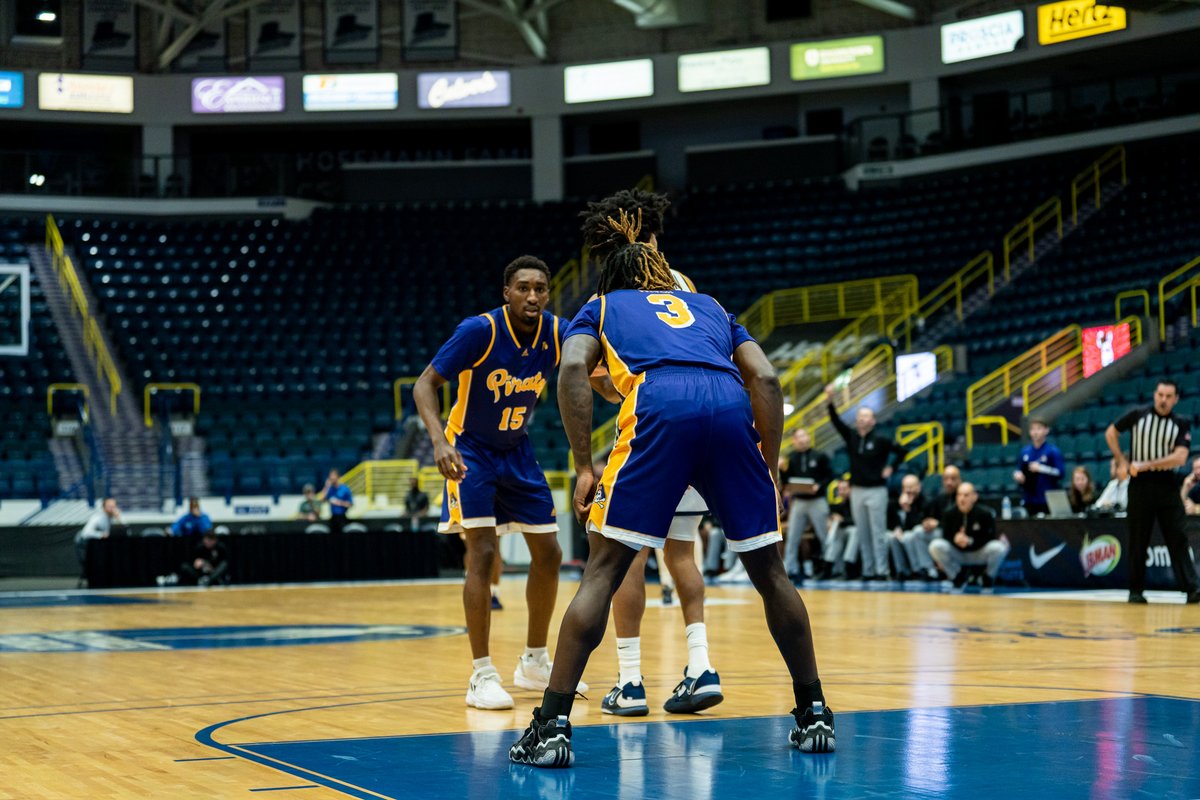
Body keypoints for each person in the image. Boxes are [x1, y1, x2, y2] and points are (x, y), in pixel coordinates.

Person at [509, 210, 834, 769]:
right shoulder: (709, 305)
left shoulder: (603, 306)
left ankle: (551, 726)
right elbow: (767, 379)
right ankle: (815, 714)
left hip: (658, 404)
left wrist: (584, 465)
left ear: (612, 274)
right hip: (731, 406)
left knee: (605, 569)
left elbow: (571, 370)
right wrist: (769, 464)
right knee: (770, 571)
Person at [579, 187, 721, 717]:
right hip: (704, 423)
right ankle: (701, 664)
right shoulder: (687, 286)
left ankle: (632, 680)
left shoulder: (611, 293)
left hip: (650, 432)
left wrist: (628, 388)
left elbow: (595, 376)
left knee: (627, 557)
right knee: (681, 553)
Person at [412, 254, 574, 711]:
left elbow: (593, 376)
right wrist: (440, 442)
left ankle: (535, 661)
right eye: (523, 287)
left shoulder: (558, 333)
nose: (533, 296)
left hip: (518, 451)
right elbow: (424, 385)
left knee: (551, 552)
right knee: (481, 553)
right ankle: (481, 674)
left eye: (541, 288)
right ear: (507, 292)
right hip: (471, 452)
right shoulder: (478, 331)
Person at [1104, 380, 1200, 604]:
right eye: (1160, 395)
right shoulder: (1138, 415)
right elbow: (1111, 433)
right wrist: (1120, 461)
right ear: (1155, 395)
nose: (1163, 400)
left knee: (1178, 537)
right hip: (1140, 487)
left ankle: (1192, 589)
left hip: (1167, 484)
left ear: (1175, 399)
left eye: (1168, 396)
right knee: (1138, 540)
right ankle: (1135, 591)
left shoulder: (1181, 422)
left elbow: (1180, 457)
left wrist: (1144, 464)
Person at [824, 386, 907, 580]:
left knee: (878, 532)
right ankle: (868, 571)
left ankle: (882, 571)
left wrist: (892, 467)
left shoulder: (882, 440)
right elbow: (836, 422)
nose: (862, 419)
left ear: (873, 421)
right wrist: (830, 402)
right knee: (863, 532)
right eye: (860, 416)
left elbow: (903, 451)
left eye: (866, 416)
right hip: (857, 490)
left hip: (877, 490)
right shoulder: (852, 437)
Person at [928, 482, 1009, 589]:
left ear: (974, 497)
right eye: (959, 495)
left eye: (966, 495)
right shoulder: (949, 513)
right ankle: (956, 576)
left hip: (978, 553)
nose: (962, 499)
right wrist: (955, 539)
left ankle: (988, 577)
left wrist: (970, 541)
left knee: (999, 547)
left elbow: (990, 537)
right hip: (958, 553)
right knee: (935, 546)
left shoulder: (985, 513)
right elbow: (945, 536)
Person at [781, 428, 833, 583]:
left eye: (804, 436)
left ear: (808, 438)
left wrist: (819, 486)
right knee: (793, 536)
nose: (802, 440)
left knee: (824, 535)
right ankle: (791, 569)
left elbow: (829, 475)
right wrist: (782, 470)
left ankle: (829, 567)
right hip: (800, 500)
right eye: (798, 437)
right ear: (794, 441)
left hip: (817, 500)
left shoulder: (820, 455)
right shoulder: (791, 458)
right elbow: (787, 481)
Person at [904, 465, 962, 581]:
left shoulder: (963, 497)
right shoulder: (940, 498)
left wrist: (938, 524)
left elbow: (960, 523)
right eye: (946, 479)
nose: (949, 482)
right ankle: (929, 570)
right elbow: (927, 517)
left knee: (934, 542)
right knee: (917, 532)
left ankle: (953, 572)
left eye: (953, 479)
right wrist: (927, 523)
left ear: (959, 480)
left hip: (956, 536)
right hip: (942, 533)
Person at [1013, 417, 1064, 516]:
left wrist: (1041, 468)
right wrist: (1018, 475)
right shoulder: (1025, 451)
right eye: (1032, 429)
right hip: (1029, 498)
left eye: (1038, 428)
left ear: (1046, 430)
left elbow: (1060, 472)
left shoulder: (1052, 451)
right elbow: (1019, 469)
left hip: (1046, 498)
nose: (1035, 432)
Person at [817, 477, 858, 580]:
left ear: (850, 489)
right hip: (843, 532)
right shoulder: (837, 505)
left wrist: (842, 520)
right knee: (836, 532)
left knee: (854, 531)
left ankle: (850, 567)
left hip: (859, 533)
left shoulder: (857, 504)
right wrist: (831, 521)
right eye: (840, 489)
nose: (842, 492)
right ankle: (827, 567)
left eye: (844, 489)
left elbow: (858, 521)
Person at [887, 474, 926, 579]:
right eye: (906, 487)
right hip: (902, 534)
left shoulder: (923, 502)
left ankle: (916, 570)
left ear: (919, 487)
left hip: (915, 535)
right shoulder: (894, 503)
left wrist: (908, 509)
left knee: (909, 536)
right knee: (892, 537)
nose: (909, 491)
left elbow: (919, 523)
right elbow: (890, 523)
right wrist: (896, 529)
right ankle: (901, 571)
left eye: (912, 487)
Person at [157, 530, 230, 587]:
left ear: (215, 540)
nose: (209, 542)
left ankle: (209, 580)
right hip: (200, 572)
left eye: (211, 540)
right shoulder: (199, 547)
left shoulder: (220, 547)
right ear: (204, 539)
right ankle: (201, 580)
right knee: (185, 566)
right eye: (207, 540)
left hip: (213, 571)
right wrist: (197, 563)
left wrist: (212, 567)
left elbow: (223, 562)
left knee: (224, 565)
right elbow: (192, 560)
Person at [75, 496, 122, 566]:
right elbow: (86, 533)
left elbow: (125, 532)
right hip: (85, 541)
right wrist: (101, 535)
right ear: (104, 508)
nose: (113, 509)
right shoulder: (98, 518)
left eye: (114, 506)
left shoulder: (114, 517)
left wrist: (118, 519)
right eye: (110, 506)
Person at [319, 469, 353, 534]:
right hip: (333, 518)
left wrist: (338, 502)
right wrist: (326, 486)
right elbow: (322, 499)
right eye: (330, 477)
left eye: (333, 476)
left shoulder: (345, 489)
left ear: (338, 477)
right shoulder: (330, 489)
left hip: (342, 517)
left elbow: (350, 504)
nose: (332, 478)